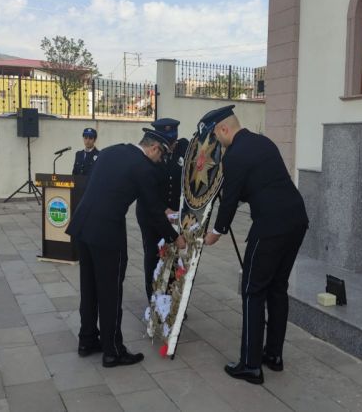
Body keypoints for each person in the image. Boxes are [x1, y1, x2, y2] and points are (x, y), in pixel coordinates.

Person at [202, 105, 309, 385]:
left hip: (270, 226)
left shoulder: (235, 154)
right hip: (296, 219)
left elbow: (230, 199)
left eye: (216, 136)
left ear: (224, 129)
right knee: (277, 288)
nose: (217, 143)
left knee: (252, 289)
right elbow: (261, 184)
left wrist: (216, 231)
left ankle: (250, 365)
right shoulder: (262, 142)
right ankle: (273, 355)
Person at [66, 128, 187, 368]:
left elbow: (112, 187)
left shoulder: (112, 151)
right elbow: (153, 211)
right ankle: (113, 351)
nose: (160, 161)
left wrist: (161, 210)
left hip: (82, 226)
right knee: (111, 293)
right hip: (107, 234)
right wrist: (175, 238)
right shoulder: (143, 168)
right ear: (153, 148)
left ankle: (87, 340)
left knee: (89, 288)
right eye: (161, 155)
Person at [136, 117, 190, 302]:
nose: (172, 145)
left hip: (174, 215)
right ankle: (153, 299)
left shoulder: (183, 149)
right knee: (153, 255)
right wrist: (163, 209)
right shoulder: (148, 155)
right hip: (150, 214)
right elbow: (146, 193)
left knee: (175, 256)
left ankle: (170, 300)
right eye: (169, 142)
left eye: (174, 141)